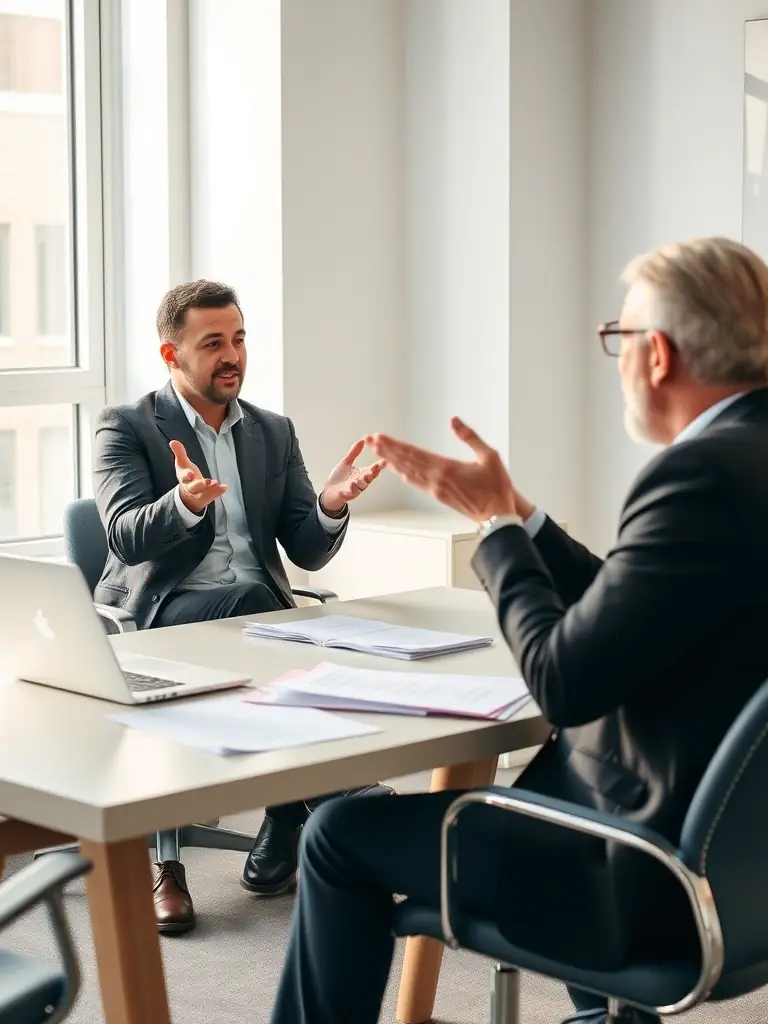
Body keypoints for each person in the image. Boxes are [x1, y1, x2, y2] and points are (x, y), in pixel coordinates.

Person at [268, 236, 768, 1024]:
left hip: (636, 872)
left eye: (619, 338)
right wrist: (525, 517)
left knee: (336, 834)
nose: (618, 360)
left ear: (660, 355)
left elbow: (565, 683)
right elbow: (639, 603)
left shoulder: (696, 475)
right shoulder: (746, 459)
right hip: (744, 869)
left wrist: (495, 530)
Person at [93, 279, 392, 934]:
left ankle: (287, 811)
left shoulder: (272, 432)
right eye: (213, 344)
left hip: (256, 622)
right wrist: (183, 504)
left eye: (239, 339)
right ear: (172, 356)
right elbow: (123, 534)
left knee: (272, 614)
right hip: (162, 615)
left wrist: (331, 506)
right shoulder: (128, 426)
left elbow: (307, 552)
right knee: (262, 609)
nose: (233, 356)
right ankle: (317, 803)